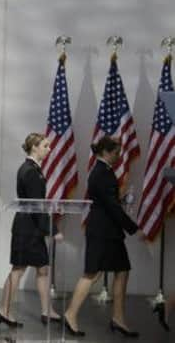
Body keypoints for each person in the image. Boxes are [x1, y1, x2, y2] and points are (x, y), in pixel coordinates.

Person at [64, 136, 140, 338]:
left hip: (109, 232)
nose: (119, 156)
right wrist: (133, 227)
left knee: (122, 270)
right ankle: (70, 314)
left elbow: (109, 200)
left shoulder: (103, 171)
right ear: (106, 152)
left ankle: (118, 318)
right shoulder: (101, 173)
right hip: (102, 232)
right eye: (116, 152)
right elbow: (111, 207)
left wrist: (119, 199)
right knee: (92, 273)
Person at [0, 133, 63, 328]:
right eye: (45, 146)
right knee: (18, 269)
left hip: (31, 227)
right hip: (27, 228)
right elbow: (36, 205)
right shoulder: (30, 171)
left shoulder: (32, 169)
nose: (49, 149)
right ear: (34, 147)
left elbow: (38, 204)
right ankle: (4, 310)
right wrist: (52, 229)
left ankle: (46, 310)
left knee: (42, 268)